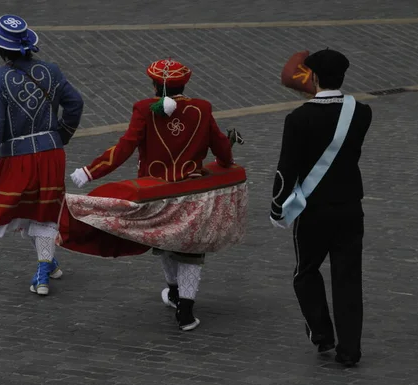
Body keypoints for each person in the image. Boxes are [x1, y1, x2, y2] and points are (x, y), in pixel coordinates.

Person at [67, 59, 245, 331]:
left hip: (156, 195)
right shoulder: (202, 108)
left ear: (154, 85)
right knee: (191, 250)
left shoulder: (143, 109)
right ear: (185, 83)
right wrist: (226, 161)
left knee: (163, 239)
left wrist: (91, 172)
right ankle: (185, 311)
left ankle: (173, 291)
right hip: (191, 192)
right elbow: (220, 146)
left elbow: (125, 147)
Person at [270, 49, 372, 367]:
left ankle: (322, 333)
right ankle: (350, 350)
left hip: (313, 210)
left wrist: (277, 208)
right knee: (348, 278)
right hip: (350, 207)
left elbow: (286, 169)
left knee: (306, 272)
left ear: (312, 77)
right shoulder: (362, 112)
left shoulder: (298, 119)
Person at [0, 15, 84, 295]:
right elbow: (75, 103)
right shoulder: (51, 71)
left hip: (18, 157)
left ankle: (42, 273)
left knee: (26, 210)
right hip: (52, 153)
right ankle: (48, 262)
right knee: (42, 211)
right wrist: (61, 135)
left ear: (1, 49)